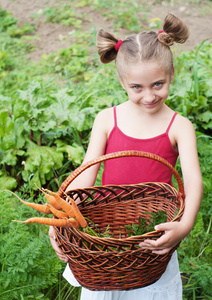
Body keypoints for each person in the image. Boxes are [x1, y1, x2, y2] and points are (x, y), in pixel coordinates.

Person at [49, 13, 203, 300]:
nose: (148, 96)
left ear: (171, 76)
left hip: (152, 234)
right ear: (122, 82)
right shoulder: (107, 119)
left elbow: (193, 179)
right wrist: (61, 219)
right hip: (106, 228)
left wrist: (185, 225)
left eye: (158, 84)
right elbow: (86, 171)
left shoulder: (179, 126)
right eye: (137, 87)